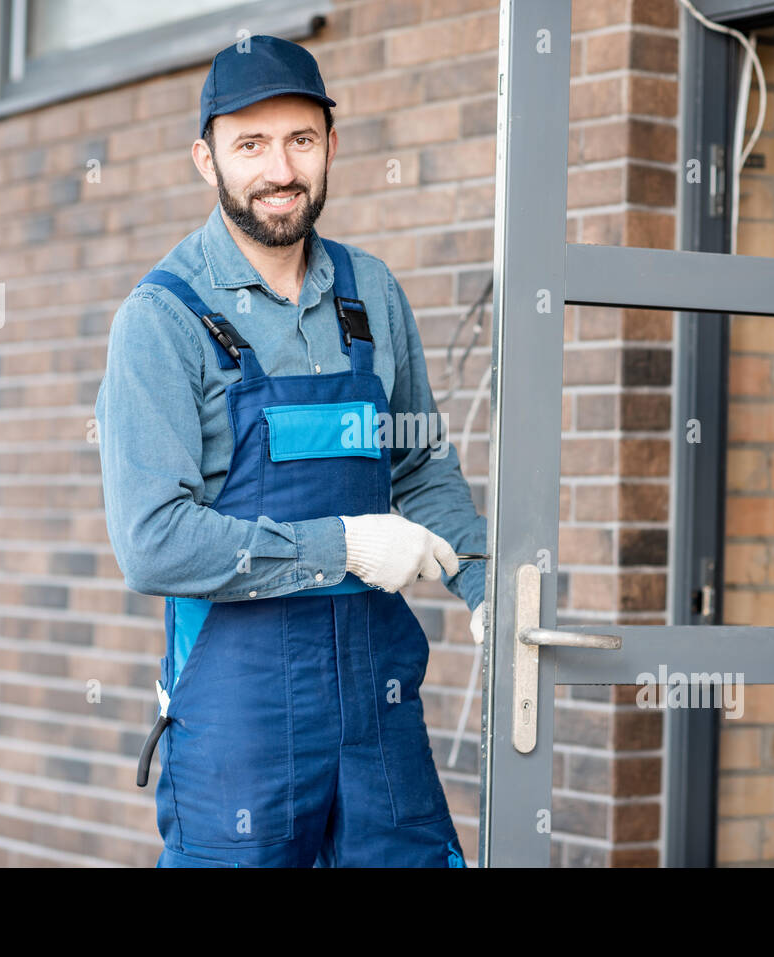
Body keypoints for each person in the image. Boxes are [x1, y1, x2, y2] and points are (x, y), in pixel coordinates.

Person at [94, 34, 486, 868]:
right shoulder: (163, 321)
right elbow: (153, 539)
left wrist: (486, 586)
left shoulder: (371, 292)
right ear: (207, 160)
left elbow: (418, 466)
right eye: (251, 144)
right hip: (241, 738)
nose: (281, 168)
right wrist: (343, 544)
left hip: (378, 722)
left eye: (301, 140)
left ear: (332, 147)